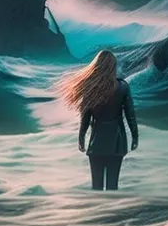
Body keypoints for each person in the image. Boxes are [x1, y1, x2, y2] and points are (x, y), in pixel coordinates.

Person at [57, 50, 139, 190]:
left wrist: (81, 137)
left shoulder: (90, 88)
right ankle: (112, 210)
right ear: (113, 66)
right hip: (116, 143)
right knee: (113, 186)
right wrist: (135, 137)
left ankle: (99, 208)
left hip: (96, 143)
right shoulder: (123, 87)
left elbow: (85, 116)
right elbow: (130, 115)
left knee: (96, 186)